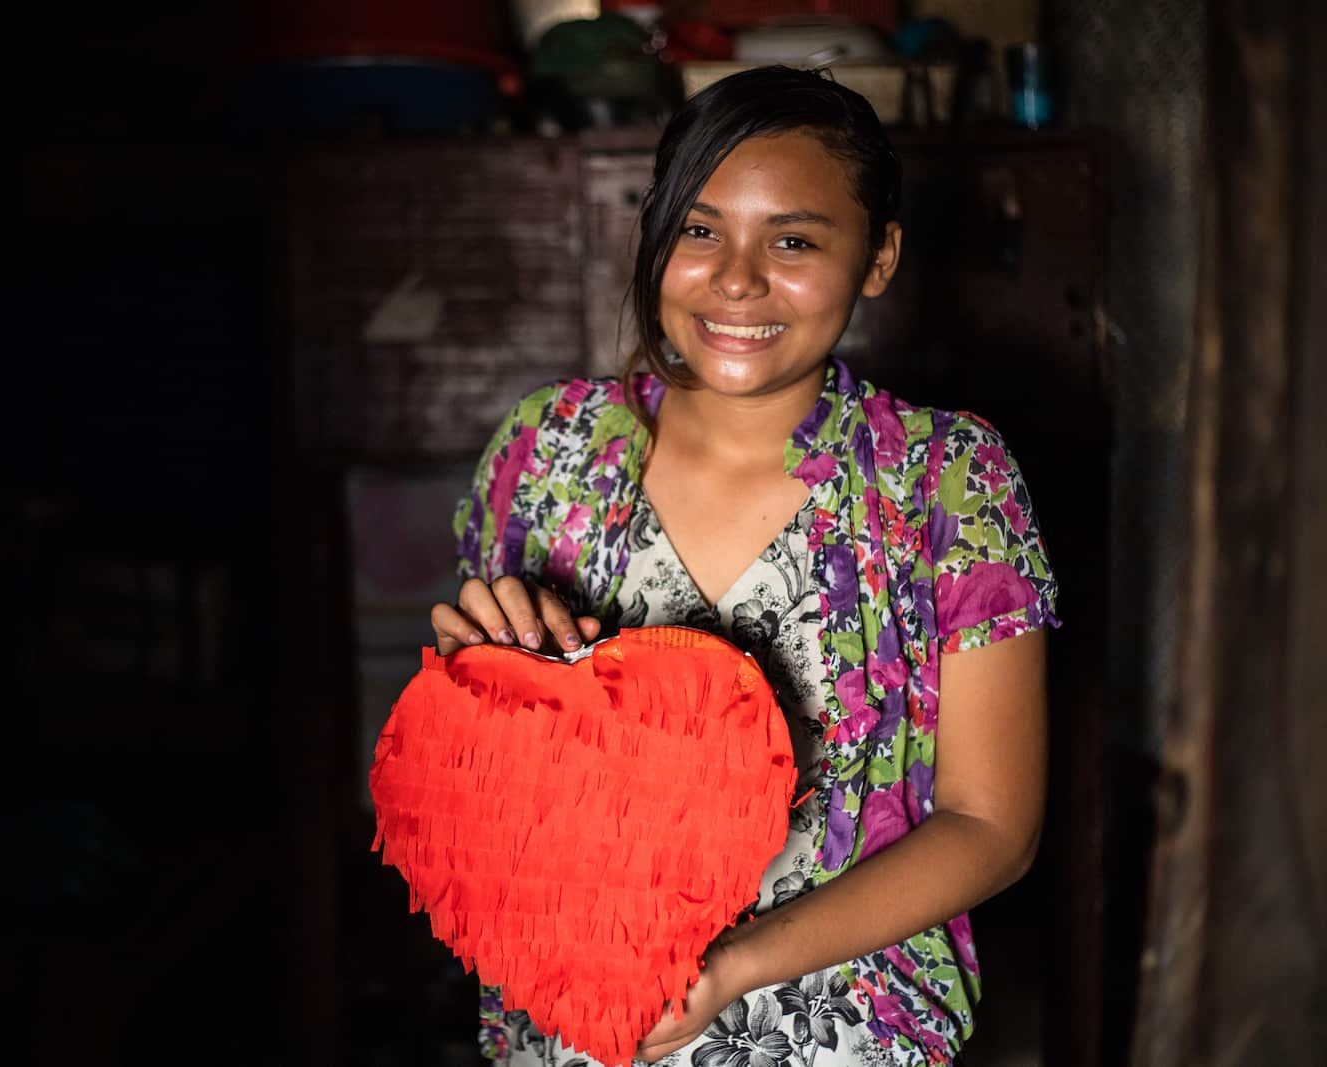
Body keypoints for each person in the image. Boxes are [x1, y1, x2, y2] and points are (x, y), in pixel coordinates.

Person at [430, 65, 1058, 1067]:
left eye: (795, 239)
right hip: (583, 1013)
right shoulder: (547, 450)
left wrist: (732, 966)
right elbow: (489, 770)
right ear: (653, 235)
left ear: (879, 256)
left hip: (845, 1025)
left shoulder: (944, 478)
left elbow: (990, 824)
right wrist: (477, 665)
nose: (736, 278)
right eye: (699, 228)